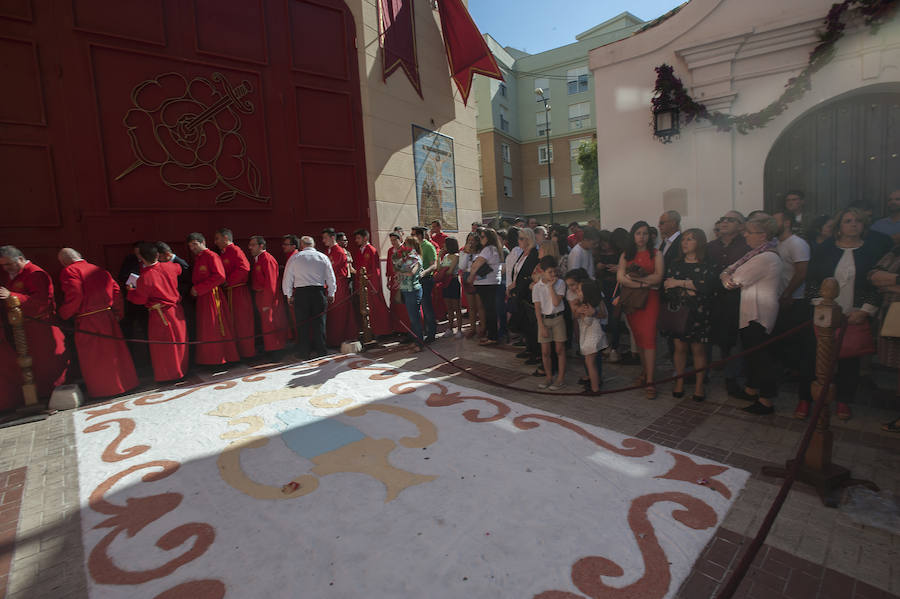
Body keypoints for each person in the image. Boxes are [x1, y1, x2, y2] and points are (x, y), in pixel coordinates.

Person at [796, 207, 883, 421]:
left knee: (849, 361)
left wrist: (864, 311)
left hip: (853, 315)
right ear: (839, 227)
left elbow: (876, 285)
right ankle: (805, 399)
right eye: (848, 221)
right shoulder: (825, 249)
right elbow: (813, 280)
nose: (853, 224)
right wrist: (821, 305)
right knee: (811, 358)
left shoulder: (871, 252)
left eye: (858, 221)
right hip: (822, 313)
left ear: (863, 226)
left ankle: (843, 400)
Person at [721, 213, 784, 415]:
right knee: (752, 354)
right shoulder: (757, 254)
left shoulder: (766, 257)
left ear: (763, 235)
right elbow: (729, 272)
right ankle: (753, 389)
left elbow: (735, 278)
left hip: (758, 314)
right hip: (751, 311)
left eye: (749, 232)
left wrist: (726, 276)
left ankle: (766, 399)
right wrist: (726, 275)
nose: (745, 236)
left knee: (760, 357)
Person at [57, 248, 138, 398]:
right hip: (107, 316)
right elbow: (116, 290)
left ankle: (106, 389)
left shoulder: (70, 271)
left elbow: (75, 295)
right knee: (115, 353)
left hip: (88, 319)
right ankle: (125, 383)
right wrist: (118, 313)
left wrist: (63, 313)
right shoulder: (99, 269)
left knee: (96, 356)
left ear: (64, 262)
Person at [0, 246, 68, 400]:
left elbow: (41, 302)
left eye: (9, 264)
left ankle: (55, 397)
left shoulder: (34, 273)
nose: (6, 268)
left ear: (20, 259)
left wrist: (11, 295)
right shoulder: (14, 275)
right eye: (3, 265)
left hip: (41, 326)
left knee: (48, 363)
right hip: (24, 328)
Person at [661, 229, 713, 401]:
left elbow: (707, 287)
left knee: (698, 349)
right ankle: (679, 382)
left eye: (690, 239)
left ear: (699, 242)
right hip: (680, 312)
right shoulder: (676, 264)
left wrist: (681, 283)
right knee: (680, 348)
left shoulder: (706, 263)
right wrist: (690, 287)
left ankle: (699, 386)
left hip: (699, 313)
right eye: (684, 239)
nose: (685, 242)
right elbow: (668, 286)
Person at [126, 242, 188, 382]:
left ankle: (170, 375)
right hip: (176, 310)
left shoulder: (145, 277)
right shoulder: (170, 267)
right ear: (157, 255)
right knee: (179, 342)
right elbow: (179, 267)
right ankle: (181, 370)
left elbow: (140, 299)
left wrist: (130, 292)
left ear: (141, 257)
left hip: (160, 315)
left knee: (164, 347)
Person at [617, 221, 663, 399]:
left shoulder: (656, 254)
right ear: (633, 235)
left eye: (644, 233)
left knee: (649, 338)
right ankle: (645, 372)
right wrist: (644, 283)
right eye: (638, 233)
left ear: (649, 235)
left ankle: (650, 380)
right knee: (639, 338)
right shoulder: (626, 255)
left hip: (650, 301)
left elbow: (659, 277)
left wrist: (636, 281)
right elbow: (621, 278)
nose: (641, 236)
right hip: (632, 302)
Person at [707, 210, 750, 396]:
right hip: (712, 300)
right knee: (714, 340)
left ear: (741, 226)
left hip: (737, 301)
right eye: (723, 219)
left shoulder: (748, 247)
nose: (724, 222)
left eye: (730, 220)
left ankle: (732, 379)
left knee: (735, 342)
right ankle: (706, 373)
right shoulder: (710, 247)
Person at [187, 232, 239, 366]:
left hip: (212, 295)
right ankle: (209, 359)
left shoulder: (211, 256)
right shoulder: (199, 258)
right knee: (206, 328)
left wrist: (199, 289)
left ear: (202, 242)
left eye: (194, 244)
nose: (192, 248)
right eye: (190, 245)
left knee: (214, 326)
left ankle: (221, 358)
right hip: (203, 297)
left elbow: (220, 276)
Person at [283, 236, 336, 360]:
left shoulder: (295, 258)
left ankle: (304, 352)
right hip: (318, 292)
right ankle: (321, 351)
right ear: (313, 245)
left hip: (301, 294)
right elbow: (330, 277)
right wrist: (331, 293)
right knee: (320, 323)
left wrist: (289, 294)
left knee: (302, 325)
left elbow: (288, 278)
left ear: (301, 245)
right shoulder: (323, 257)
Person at [772, 211, 810, 375]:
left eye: (775, 221)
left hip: (794, 298)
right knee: (781, 338)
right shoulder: (775, 242)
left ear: (787, 223)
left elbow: (801, 272)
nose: (772, 225)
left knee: (794, 339)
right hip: (779, 297)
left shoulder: (797, 243)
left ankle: (796, 372)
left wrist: (788, 294)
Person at [869, 245, 900, 433]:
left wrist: (889, 283)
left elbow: (882, 280)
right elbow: (873, 276)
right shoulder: (896, 251)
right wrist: (897, 280)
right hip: (894, 316)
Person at [215, 228, 255, 358]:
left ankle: (248, 353)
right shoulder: (223, 253)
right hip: (230, 292)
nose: (216, 242)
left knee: (242, 323)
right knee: (233, 323)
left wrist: (229, 281)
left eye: (217, 238)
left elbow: (244, 268)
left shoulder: (235, 250)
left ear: (226, 238)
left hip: (238, 291)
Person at [248, 235, 288, 354]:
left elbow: (271, 283)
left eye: (253, 245)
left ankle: (276, 351)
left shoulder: (267, 259)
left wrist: (267, 303)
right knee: (266, 325)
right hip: (260, 296)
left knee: (271, 324)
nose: (250, 247)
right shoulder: (258, 259)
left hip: (268, 298)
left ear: (261, 246)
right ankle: (271, 349)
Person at [533, 255, 567, 390]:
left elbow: (556, 302)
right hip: (544, 320)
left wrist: (551, 287)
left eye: (554, 271)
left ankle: (560, 378)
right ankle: (548, 377)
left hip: (558, 318)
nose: (553, 275)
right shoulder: (537, 287)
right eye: (549, 272)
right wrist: (541, 326)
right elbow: (537, 308)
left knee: (560, 349)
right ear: (542, 271)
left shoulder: (560, 283)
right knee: (545, 352)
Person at [352, 229, 392, 336]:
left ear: (365, 238)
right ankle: (371, 331)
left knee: (376, 308)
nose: (356, 240)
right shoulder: (359, 251)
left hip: (371, 284)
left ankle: (382, 331)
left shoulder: (371, 250)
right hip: (363, 284)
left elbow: (376, 269)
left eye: (358, 238)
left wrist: (375, 286)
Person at [467, 228, 504, 345]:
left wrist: (471, 276)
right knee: (490, 310)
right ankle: (492, 335)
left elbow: (477, 264)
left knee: (489, 311)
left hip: (486, 283)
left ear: (489, 238)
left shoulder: (488, 249)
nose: (480, 239)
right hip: (491, 282)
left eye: (483, 237)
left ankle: (492, 337)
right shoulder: (494, 249)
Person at [571, 276, 607, 394]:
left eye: (580, 290)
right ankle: (593, 383)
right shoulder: (586, 303)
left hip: (592, 336)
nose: (577, 291)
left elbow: (587, 321)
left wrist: (581, 313)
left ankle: (595, 388)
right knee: (590, 362)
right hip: (590, 335)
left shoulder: (588, 306)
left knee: (590, 363)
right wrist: (577, 310)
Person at [322, 228, 357, 347]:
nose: (323, 240)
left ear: (332, 238)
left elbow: (333, 268)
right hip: (330, 284)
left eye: (325, 238)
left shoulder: (339, 251)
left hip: (339, 285)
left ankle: (340, 339)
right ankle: (333, 339)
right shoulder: (329, 251)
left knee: (339, 312)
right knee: (333, 314)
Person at [511, 228, 540, 363]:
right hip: (520, 292)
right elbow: (518, 272)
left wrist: (517, 285)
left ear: (528, 240)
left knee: (531, 324)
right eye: (519, 238)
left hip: (528, 294)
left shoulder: (534, 254)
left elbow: (531, 276)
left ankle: (536, 352)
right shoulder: (522, 253)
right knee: (525, 323)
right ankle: (529, 348)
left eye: (521, 238)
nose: (519, 241)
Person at [393, 237, 424, 351]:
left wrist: (400, 271)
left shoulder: (415, 258)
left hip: (413, 290)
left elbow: (411, 272)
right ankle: (416, 341)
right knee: (412, 318)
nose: (404, 246)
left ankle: (420, 343)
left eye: (406, 244)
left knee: (415, 318)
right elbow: (397, 268)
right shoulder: (407, 258)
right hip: (406, 290)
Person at [412, 227, 438, 342]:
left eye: (413, 234)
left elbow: (434, 265)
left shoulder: (428, 246)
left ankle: (432, 334)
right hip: (415, 280)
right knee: (418, 307)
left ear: (419, 235)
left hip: (426, 280)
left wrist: (424, 272)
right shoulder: (414, 247)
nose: (411, 236)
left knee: (427, 307)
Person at [385, 232, 411, 335]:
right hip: (394, 281)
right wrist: (388, 279)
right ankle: (397, 328)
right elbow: (388, 265)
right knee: (395, 304)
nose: (393, 243)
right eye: (391, 241)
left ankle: (407, 330)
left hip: (403, 281)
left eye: (395, 240)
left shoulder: (405, 250)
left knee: (403, 306)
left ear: (400, 239)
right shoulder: (390, 251)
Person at [459, 232, 483, 339]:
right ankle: (472, 328)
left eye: (473, 240)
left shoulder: (481, 252)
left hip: (478, 278)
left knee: (480, 306)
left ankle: (483, 328)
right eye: (469, 240)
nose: (471, 242)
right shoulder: (464, 252)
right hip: (467, 278)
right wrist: (467, 253)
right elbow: (462, 266)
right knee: (471, 307)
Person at [438, 238, 463, 338]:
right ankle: (450, 327)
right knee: (448, 307)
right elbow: (439, 268)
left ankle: (460, 330)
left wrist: (444, 271)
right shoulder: (446, 256)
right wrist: (439, 256)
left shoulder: (456, 256)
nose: (444, 245)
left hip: (453, 281)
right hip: (445, 282)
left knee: (456, 307)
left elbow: (450, 271)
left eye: (445, 244)